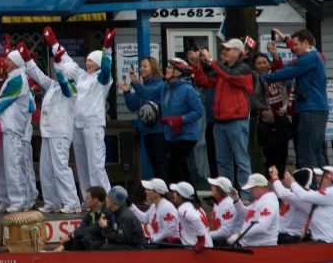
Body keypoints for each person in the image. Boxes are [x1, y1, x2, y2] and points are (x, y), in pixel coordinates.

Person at [45, 25, 114, 199]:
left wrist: (107, 49)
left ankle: (105, 199)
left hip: (93, 125)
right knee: (82, 165)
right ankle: (88, 199)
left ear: (98, 62)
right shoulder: (82, 76)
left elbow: (106, 70)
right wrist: (54, 43)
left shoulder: (103, 80)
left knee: (96, 165)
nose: (87, 62)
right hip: (77, 125)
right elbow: (67, 60)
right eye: (88, 60)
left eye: (91, 60)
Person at [123, 57, 203, 183]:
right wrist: (133, 86)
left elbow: (199, 111)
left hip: (186, 135)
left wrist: (180, 120)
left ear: (178, 72)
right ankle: (187, 197)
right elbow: (147, 95)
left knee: (175, 167)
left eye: (170, 67)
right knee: (179, 168)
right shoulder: (166, 87)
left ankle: (179, 196)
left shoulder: (187, 89)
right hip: (172, 134)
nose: (166, 68)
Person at [262, 29, 328, 169]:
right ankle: (322, 185)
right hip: (313, 108)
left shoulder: (310, 58)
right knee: (315, 150)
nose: (293, 48)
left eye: (296, 45)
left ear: (305, 43)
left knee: (307, 151)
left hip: (311, 108)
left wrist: (260, 78)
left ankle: (311, 187)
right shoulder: (313, 56)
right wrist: (285, 40)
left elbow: (287, 72)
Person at [192, 38, 253, 188]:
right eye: (223, 49)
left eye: (228, 49)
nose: (224, 52)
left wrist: (211, 60)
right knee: (222, 161)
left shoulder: (244, 68)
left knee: (241, 159)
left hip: (237, 121)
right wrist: (197, 65)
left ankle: (246, 194)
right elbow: (204, 82)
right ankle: (227, 193)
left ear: (238, 52)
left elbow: (230, 75)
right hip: (220, 122)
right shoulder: (222, 69)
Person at [25, 45, 79, 214]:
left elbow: (64, 83)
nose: (57, 75)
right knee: (46, 169)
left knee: (61, 168)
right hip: (48, 132)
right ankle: (52, 202)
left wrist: (58, 66)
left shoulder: (71, 88)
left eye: (61, 71)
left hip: (60, 133)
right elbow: (39, 77)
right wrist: (27, 59)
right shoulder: (53, 86)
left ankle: (72, 202)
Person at [0, 49, 34, 213]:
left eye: (8, 60)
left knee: (12, 165)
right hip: (5, 126)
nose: (5, 62)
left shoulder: (18, 79)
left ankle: (18, 200)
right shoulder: (13, 78)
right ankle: (5, 199)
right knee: (2, 165)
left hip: (13, 127)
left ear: (15, 62)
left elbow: (5, 100)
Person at [120, 56, 166, 180]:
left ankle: (165, 193)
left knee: (160, 164)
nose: (141, 69)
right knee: (153, 163)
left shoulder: (160, 84)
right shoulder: (141, 85)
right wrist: (127, 92)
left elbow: (148, 94)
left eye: (145, 66)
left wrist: (136, 84)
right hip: (145, 131)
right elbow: (133, 105)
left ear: (153, 68)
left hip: (158, 130)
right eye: (140, 66)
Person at [278, 165, 333, 242]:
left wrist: (292, 183)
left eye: (321, 176)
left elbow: (304, 196)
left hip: (329, 241)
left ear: (329, 177)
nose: (317, 179)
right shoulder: (332, 192)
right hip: (323, 239)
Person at [253, 51, 290, 174]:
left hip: (281, 120)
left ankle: (280, 181)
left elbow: (286, 94)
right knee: (270, 156)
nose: (262, 65)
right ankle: (272, 181)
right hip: (265, 123)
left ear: (269, 64)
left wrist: (284, 109)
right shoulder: (254, 81)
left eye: (264, 62)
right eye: (259, 63)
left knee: (282, 155)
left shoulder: (277, 76)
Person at [229, 174, 280, 246]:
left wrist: (239, 235)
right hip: (252, 246)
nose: (250, 191)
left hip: (263, 249)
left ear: (261, 188)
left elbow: (262, 227)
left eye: (252, 188)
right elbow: (246, 214)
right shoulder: (261, 200)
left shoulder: (269, 202)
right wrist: (236, 199)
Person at [53, 186, 106, 252]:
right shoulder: (91, 213)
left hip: (105, 241)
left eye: (87, 198)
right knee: (76, 243)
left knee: (87, 239)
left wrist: (71, 236)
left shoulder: (106, 212)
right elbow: (81, 229)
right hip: (93, 239)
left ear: (95, 200)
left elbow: (93, 229)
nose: (85, 200)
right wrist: (63, 246)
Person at [92, 186, 146, 250]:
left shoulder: (124, 217)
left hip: (136, 250)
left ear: (113, 201)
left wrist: (105, 228)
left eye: (108, 197)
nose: (105, 199)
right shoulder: (114, 212)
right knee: (93, 242)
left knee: (105, 248)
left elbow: (121, 240)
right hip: (127, 245)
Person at [272, 167, 314, 243]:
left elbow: (282, 193)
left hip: (293, 237)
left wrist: (275, 177)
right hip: (282, 234)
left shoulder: (308, 198)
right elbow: (279, 191)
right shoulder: (293, 193)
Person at [132, 178, 180, 244]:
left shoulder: (167, 207)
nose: (145, 191)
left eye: (148, 190)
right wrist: (130, 206)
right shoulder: (154, 206)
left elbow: (169, 232)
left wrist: (152, 240)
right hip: (159, 242)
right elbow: (144, 219)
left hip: (170, 245)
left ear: (157, 192)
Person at [171, 181, 212, 248]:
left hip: (198, 251)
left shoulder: (183, 208)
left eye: (175, 192)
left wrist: (201, 241)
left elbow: (195, 218)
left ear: (180, 195)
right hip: (207, 248)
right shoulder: (198, 207)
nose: (173, 194)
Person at [207, 176, 242, 245]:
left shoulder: (229, 205)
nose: (211, 187)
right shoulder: (218, 203)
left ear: (220, 189)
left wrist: (205, 235)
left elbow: (225, 232)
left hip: (230, 246)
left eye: (214, 186)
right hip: (221, 242)